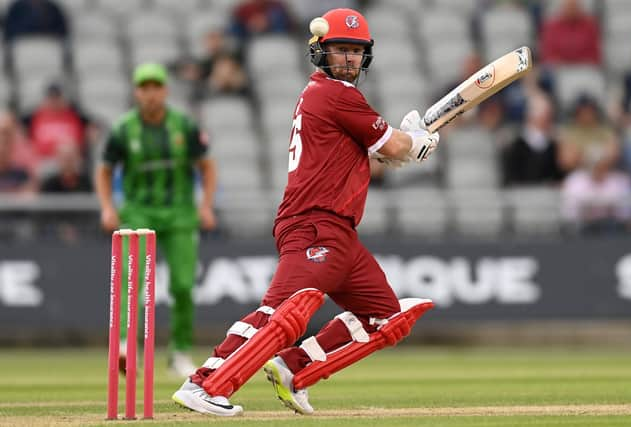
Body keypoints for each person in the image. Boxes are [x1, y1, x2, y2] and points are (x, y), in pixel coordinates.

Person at [171, 8, 439, 417]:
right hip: (314, 223)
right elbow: (396, 146)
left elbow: (371, 153)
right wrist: (413, 143)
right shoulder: (335, 93)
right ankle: (205, 383)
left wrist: (394, 147)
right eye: (340, 50)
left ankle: (296, 369)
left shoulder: (329, 97)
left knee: (385, 316)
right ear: (321, 52)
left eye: (355, 51)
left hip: (339, 231)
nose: (348, 58)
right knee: (285, 311)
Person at [95, 63, 218, 377]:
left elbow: (207, 166)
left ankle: (179, 352)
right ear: (137, 92)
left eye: (155, 87)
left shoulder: (184, 126)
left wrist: (205, 206)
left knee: (183, 285)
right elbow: (104, 170)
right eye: (144, 88)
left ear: (165, 90)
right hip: (138, 211)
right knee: (130, 281)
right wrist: (108, 207)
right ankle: (126, 345)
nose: (150, 94)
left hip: (179, 212)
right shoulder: (123, 129)